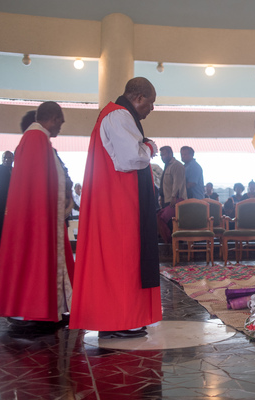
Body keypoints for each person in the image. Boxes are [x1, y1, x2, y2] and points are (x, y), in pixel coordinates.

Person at [70, 77, 161, 339]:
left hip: (115, 198)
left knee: (122, 258)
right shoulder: (119, 115)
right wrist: (150, 146)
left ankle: (121, 317)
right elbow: (130, 158)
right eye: (151, 103)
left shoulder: (115, 114)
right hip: (119, 201)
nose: (152, 109)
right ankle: (121, 318)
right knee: (124, 258)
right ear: (139, 98)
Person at [0, 102, 74, 331]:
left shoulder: (37, 138)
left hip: (39, 214)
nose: (61, 127)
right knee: (33, 260)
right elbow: (37, 184)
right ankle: (30, 313)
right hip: (36, 217)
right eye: (61, 122)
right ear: (54, 118)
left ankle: (45, 311)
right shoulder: (36, 138)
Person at [157, 146, 185, 243]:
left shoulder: (177, 165)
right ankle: (169, 242)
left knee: (162, 218)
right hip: (166, 199)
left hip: (176, 200)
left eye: (164, 154)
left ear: (170, 154)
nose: (162, 157)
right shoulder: (167, 166)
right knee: (163, 219)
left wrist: (174, 197)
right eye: (161, 155)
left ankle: (172, 242)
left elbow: (177, 182)